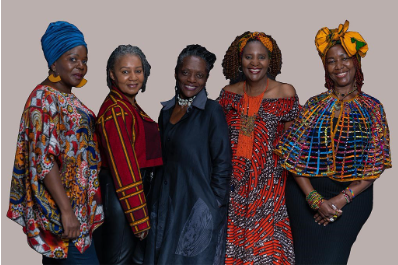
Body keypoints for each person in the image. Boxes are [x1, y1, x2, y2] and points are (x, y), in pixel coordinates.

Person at [275, 20, 392, 264]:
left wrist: (340, 200)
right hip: (305, 196)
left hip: (352, 199)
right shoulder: (315, 104)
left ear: (355, 62)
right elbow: (292, 156)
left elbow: (375, 164)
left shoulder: (373, 108)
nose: (338, 66)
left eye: (345, 58)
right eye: (331, 60)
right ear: (325, 67)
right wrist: (314, 199)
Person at [6, 21, 104, 264]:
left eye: (84, 60)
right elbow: (43, 161)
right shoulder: (43, 100)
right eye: (73, 59)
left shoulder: (67, 97)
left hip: (79, 214)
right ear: (54, 63)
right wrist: (67, 212)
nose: (80, 66)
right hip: (64, 217)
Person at [144, 44, 232, 265]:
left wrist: (213, 204)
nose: (192, 79)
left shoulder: (212, 111)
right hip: (166, 202)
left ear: (206, 78)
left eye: (199, 75)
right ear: (176, 72)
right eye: (186, 72)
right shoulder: (165, 112)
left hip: (197, 206)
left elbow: (223, 161)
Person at [218, 31, 299, 264]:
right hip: (233, 189)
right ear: (239, 60)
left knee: (268, 252)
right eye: (248, 57)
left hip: (269, 188)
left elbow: (293, 146)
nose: (255, 63)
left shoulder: (285, 93)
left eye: (261, 57)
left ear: (270, 60)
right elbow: (214, 139)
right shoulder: (227, 95)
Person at [94, 45, 163, 264]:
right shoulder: (115, 111)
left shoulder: (129, 105)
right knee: (119, 261)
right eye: (125, 71)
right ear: (112, 74)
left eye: (138, 70)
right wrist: (139, 218)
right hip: (122, 197)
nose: (133, 77)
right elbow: (124, 170)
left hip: (134, 195)